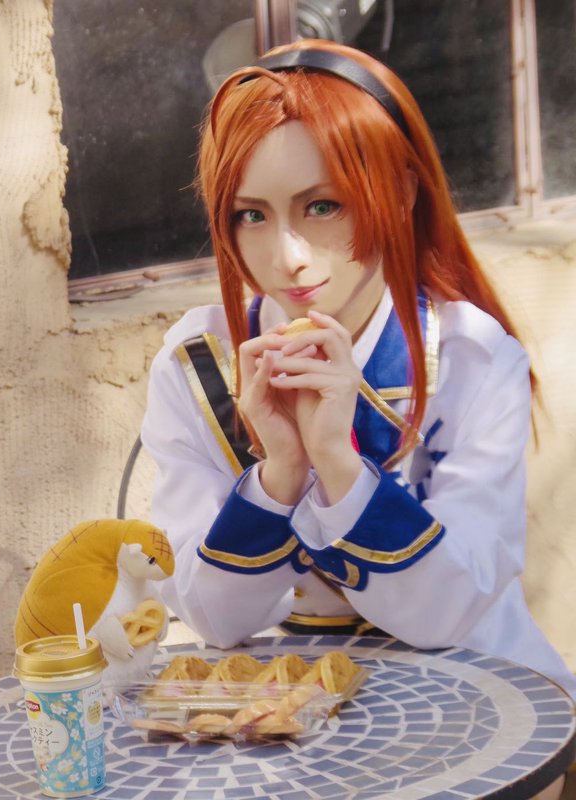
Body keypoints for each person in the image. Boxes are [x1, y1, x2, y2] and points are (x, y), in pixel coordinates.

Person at [142, 39, 576, 701]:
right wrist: (280, 476)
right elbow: (215, 619)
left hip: (476, 688)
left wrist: (338, 465)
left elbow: (443, 614)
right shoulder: (198, 367)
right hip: (288, 706)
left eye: (323, 206)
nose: (288, 257)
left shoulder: (471, 356)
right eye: (250, 215)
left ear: (400, 192)